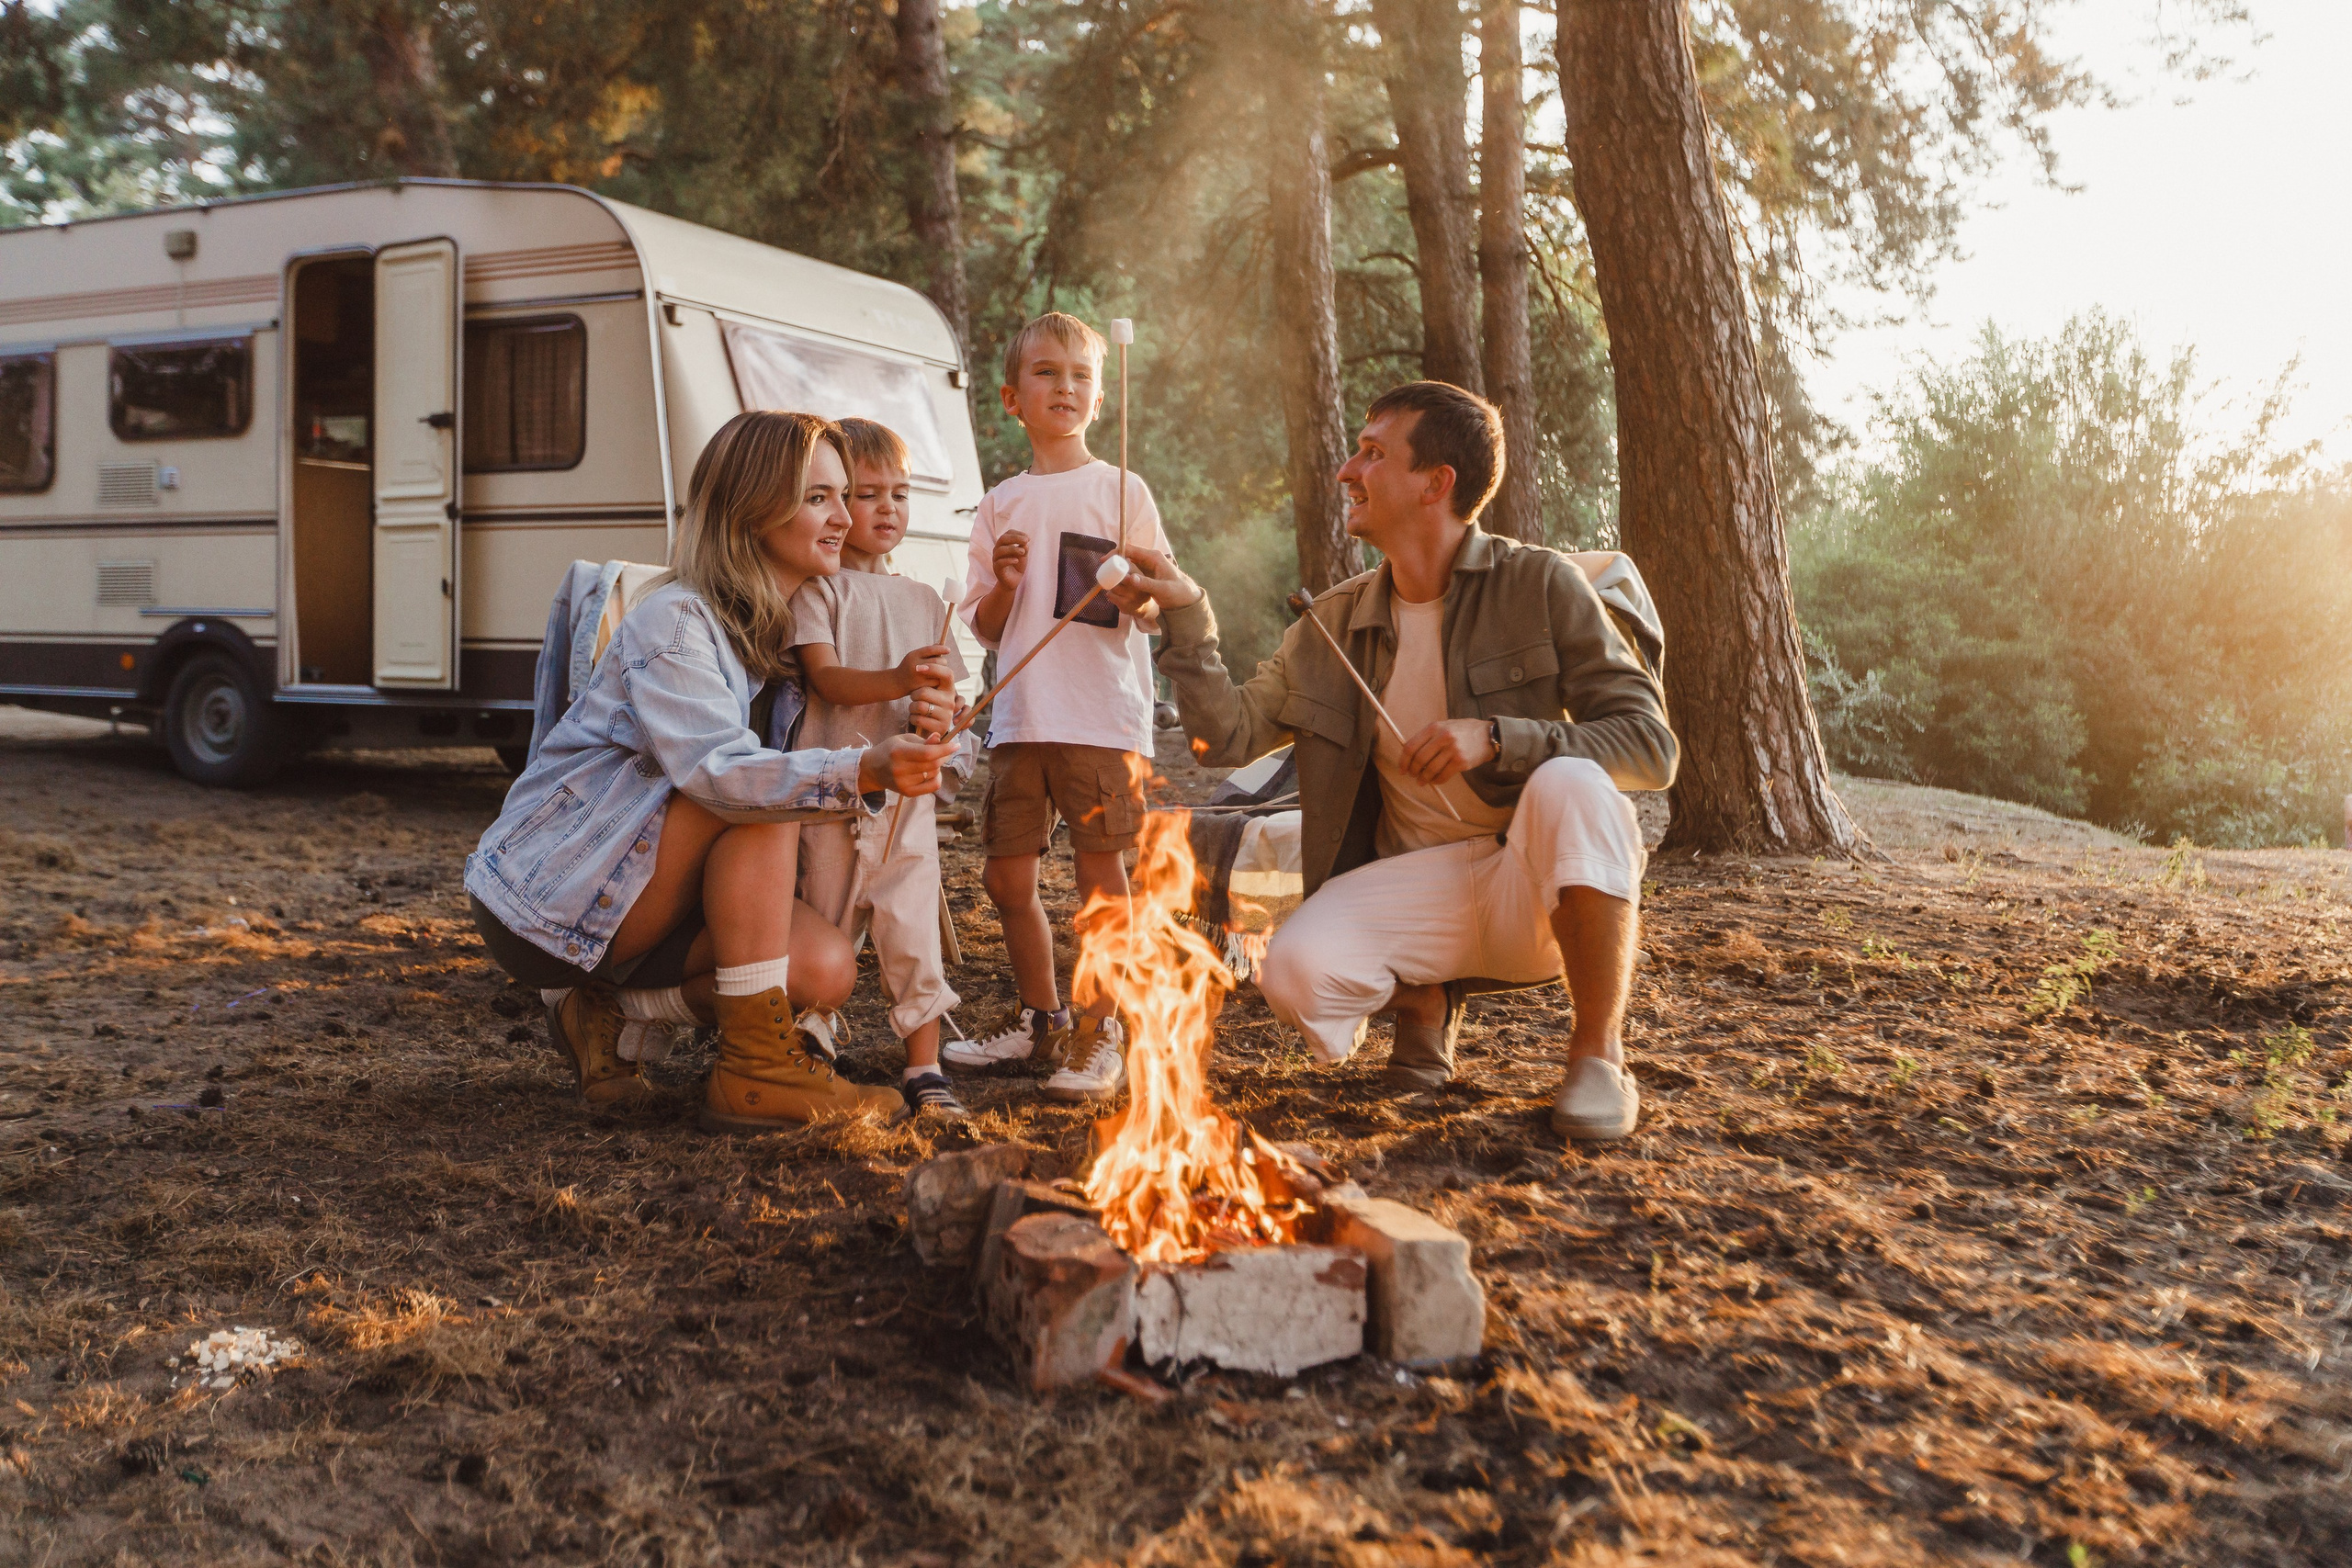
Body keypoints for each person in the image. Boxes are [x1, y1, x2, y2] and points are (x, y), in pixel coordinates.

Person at [1105, 381, 1677, 1142]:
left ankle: (1598, 1053)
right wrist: (1186, 612)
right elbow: (1229, 737)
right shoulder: (1336, 618)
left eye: (1373, 453)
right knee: (1293, 970)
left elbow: (1650, 744)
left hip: (1530, 881)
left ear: (1435, 483)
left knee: (1576, 784)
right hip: (1416, 887)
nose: (1347, 470)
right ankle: (1424, 999)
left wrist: (1500, 736)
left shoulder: (1542, 584)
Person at [464, 411, 957, 1131]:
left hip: (651, 900)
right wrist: (865, 768)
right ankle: (754, 1074)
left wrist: (923, 725)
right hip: (555, 901)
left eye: (845, 496)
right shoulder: (677, 621)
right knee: (760, 788)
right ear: (753, 507)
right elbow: (722, 775)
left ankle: (609, 1009)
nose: (847, 517)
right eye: (820, 496)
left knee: (825, 969)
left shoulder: (784, 634)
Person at [947, 312, 1174, 1103]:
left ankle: (1097, 1028)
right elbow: (983, 625)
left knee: (1098, 881)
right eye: (1046, 372)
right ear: (1013, 397)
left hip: (1099, 717)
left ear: (1102, 397)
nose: (1065, 386)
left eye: (1081, 374)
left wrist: (1136, 589)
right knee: (1008, 878)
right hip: (1020, 716)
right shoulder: (999, 503)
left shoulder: (1123, 489)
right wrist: (1006, 585)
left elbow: (1157, 604)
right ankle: (1041, 1017)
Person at [790, 417, 971, 1119]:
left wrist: (941, 717)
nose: (888, 508)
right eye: (868, 494)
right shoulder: (818, 591)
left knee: (912, 925)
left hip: (907, 801)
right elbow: (829, 681)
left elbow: (948, 699)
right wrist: (898, 679)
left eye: (900, 493)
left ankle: (923, 1066)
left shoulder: (927, 601)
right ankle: (812, 1046)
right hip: (831, 793)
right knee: (829, 924)